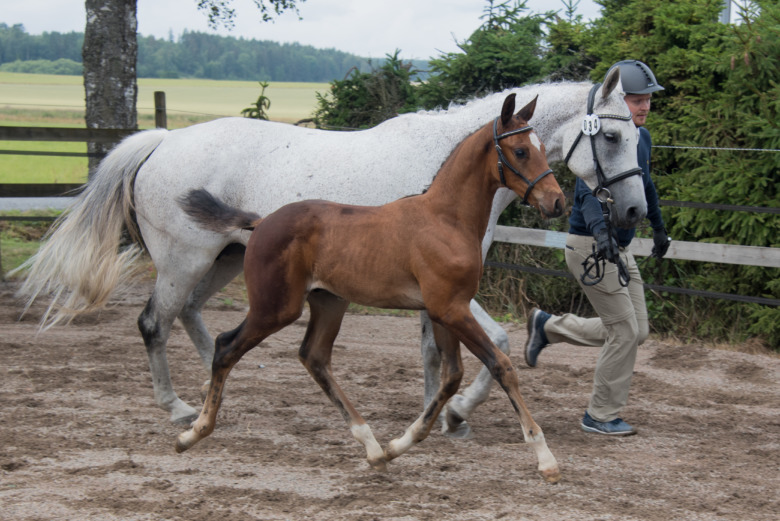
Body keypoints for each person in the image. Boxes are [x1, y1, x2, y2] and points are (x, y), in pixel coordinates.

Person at [524, 60, 670, 436]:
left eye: (648, 100)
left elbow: (645, 186)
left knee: (636, 331)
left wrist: (658, 228)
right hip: (591, 246)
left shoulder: (641, 137)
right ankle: (600, 415)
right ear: (618, 101)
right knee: (623, 331)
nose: (644, 107)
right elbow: (587, 193)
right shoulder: (600, 139)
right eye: (637, 100)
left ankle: (549, 327)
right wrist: (601, 233)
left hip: (618, 248)